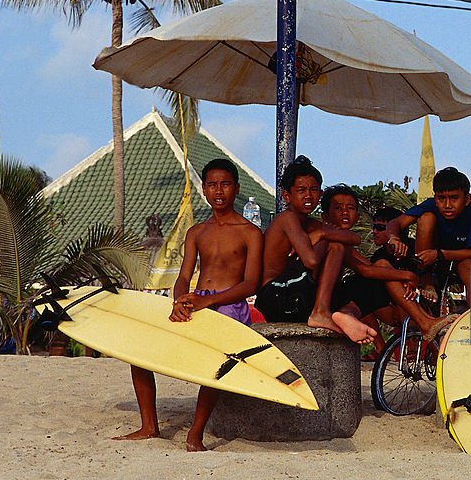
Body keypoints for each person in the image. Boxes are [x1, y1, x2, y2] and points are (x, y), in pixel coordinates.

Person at [115, 158, 263, 451]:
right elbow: (183, 277)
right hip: (194, 303)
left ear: (236, 188)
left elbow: (250, 284)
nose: (218, 190)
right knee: (138, 353)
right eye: (212, 185)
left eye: (224, 184)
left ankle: (195, 433)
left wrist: (208, 301)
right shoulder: (197, 232)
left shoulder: (250, 232)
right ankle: (149, 426)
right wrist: (180, 300)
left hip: (228, 305)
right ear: (204, 190)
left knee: (214, 365)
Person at [255, 156, 375, 344]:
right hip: (276, 295)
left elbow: (354, 238)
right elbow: (311, 261)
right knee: (334, 244)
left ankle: (329, 311)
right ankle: (321, 311)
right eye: (301, 190)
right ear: (287, 196)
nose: (309, 196)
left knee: (339, 249)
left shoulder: (312, 225)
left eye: (314, 190)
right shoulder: (286, 219)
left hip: (295, 292)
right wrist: (323, 235)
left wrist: (320, 234)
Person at [320, 189, 457, 353]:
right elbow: (366, 270)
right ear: (325, 216)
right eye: (338, 208)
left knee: (384, 270)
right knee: (383, 267)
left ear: (356, 216)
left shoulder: (345, 240)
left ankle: (349, 315)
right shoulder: (334, 239)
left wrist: (409, 280)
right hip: (323, 298)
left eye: (349, 208)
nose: (344, 212)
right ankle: (420, 325)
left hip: (346, 298)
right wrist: (408, 276)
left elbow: (372, 268)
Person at [384, 166, 471, 308]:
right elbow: (396, 222)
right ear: (435, 198)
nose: (447, 205)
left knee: (469, 267)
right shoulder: (431, 206)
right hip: (431, 262)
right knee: (426, 218)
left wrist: (439, 255)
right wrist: (394, 238)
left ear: (467, 199)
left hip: (460, 258)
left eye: (454, 198)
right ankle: (425, 279)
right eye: (441, 198)